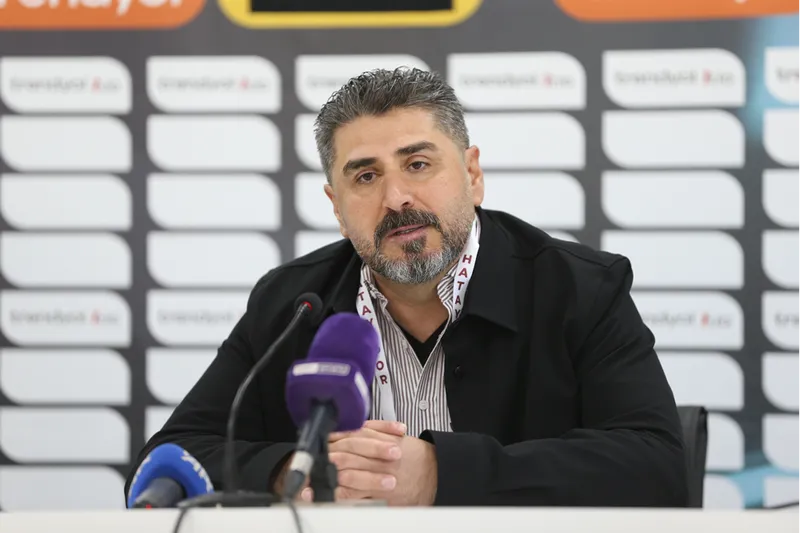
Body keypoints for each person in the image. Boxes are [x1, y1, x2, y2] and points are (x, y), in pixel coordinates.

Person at [125, 67, 688, 507]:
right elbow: (168, 461)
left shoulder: (580, 289)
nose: (396, 198)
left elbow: (658, 468)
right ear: (337, 208)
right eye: (366, 176)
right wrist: (289, 472)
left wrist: (443, 474)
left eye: (418, 164)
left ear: (472, 175)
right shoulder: (292, 304)